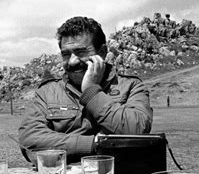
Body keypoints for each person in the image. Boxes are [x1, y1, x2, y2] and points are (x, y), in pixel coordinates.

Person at [18, 16, 153, 164]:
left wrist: (92, 92)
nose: (72, 61)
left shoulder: (131, 86)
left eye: (81, 52)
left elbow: (137, 131)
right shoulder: (47, 92)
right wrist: (95, 143)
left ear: (102, 52)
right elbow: (30, 139)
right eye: (66, 54)